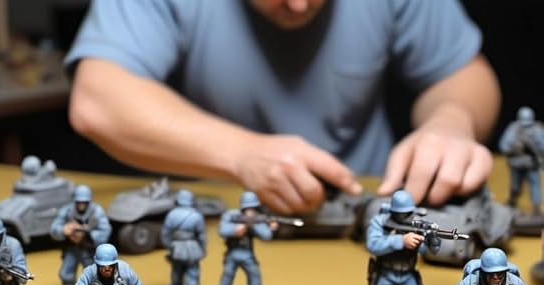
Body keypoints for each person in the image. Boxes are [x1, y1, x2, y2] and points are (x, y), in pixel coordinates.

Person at [66, 0, 499, 214]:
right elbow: (98, 97)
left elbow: (466, 75)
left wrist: (452, 121)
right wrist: (242, 154)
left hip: (373, 211)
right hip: (224, 214)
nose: (298, 5)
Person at [217, 191, 277, 285]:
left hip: (247, 254)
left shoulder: (256, 219)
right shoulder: (231, 215)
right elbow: (222, 230)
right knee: (227, 276)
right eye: (248, 208)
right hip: (232, 253)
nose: (251, 210)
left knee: (255, 276)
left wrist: (267, 227)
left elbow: (266, 236)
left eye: (253, 208)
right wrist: (236, 230)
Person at [50, 184, 112, 285]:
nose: (81, 205)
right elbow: (54, 228)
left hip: (88, 250)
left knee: (92, 275)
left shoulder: (96, 211)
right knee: (66, 273)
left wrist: (87, 235)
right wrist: (63, 230)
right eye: (79, 202)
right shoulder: (67, 210)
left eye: (84, 202)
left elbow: (105, 230)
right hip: (72, 248)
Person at [161, 189, 206, 285]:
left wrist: (170, 247)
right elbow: (201, 236)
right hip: (192, 248)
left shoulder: (172, 214)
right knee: (192, 278)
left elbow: (165, 234)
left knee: (176, 273)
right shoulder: (196, 215)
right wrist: (202, 249)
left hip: (176, 248)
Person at [498, 106, 544, 215]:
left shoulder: (537, 130)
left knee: (534, 185)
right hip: (517, 163)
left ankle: (536, 208)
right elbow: (503, 146)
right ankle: (512, 203)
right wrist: (514, 149)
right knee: (515, 186)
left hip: (531, 163)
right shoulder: (513, 129)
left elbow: (542, 146)